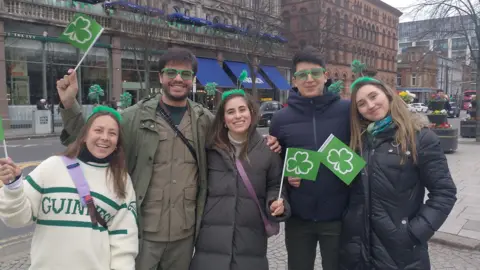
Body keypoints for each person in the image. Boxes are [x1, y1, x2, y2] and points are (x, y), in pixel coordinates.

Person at [56, 47, 280, 270]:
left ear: (193, 79)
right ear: (160, 76)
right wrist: (69, 105)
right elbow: (90, 141)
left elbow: (234, 134)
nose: (178, 79)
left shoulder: (204, 120)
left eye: (185, 74)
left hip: (184, 236)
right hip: (143, 233)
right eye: (171, 73)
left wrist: (267, 142)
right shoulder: (134, 117)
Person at [0, 106, 138, 270]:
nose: (105, 137)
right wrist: (14, 186)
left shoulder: (121, 180)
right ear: (85, 136)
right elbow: (18, 219)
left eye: (112, 133)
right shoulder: (52, 166)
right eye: (98, 130)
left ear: (118, 143)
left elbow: (124, 241)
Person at [340, 77, 457, 269]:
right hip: (357, 254)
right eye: (361, 103)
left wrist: (413, 233)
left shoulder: (420, 137)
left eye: (373, 96)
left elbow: (444, 193)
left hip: (401, 255)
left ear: (387, 94)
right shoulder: (357, 142)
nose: (370, 105)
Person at [190, 90, 291, 270]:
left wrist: (275, 203)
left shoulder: (268, 150)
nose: (237, 116)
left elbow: (276, 186)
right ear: (223, 119)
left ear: (251, 114)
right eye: (230, 112)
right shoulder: (209, 150)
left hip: (251, 242)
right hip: (211, 242)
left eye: (242, 110)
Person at [269, 46, 351, 270]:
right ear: (294, 81)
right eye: (302, 75)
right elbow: (275, 166)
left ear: (325, 76)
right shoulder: (281, 118)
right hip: (299, 218)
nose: (309, 79)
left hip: (338, 216)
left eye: (315, 73)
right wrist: (287, 177)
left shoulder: (347, 111)